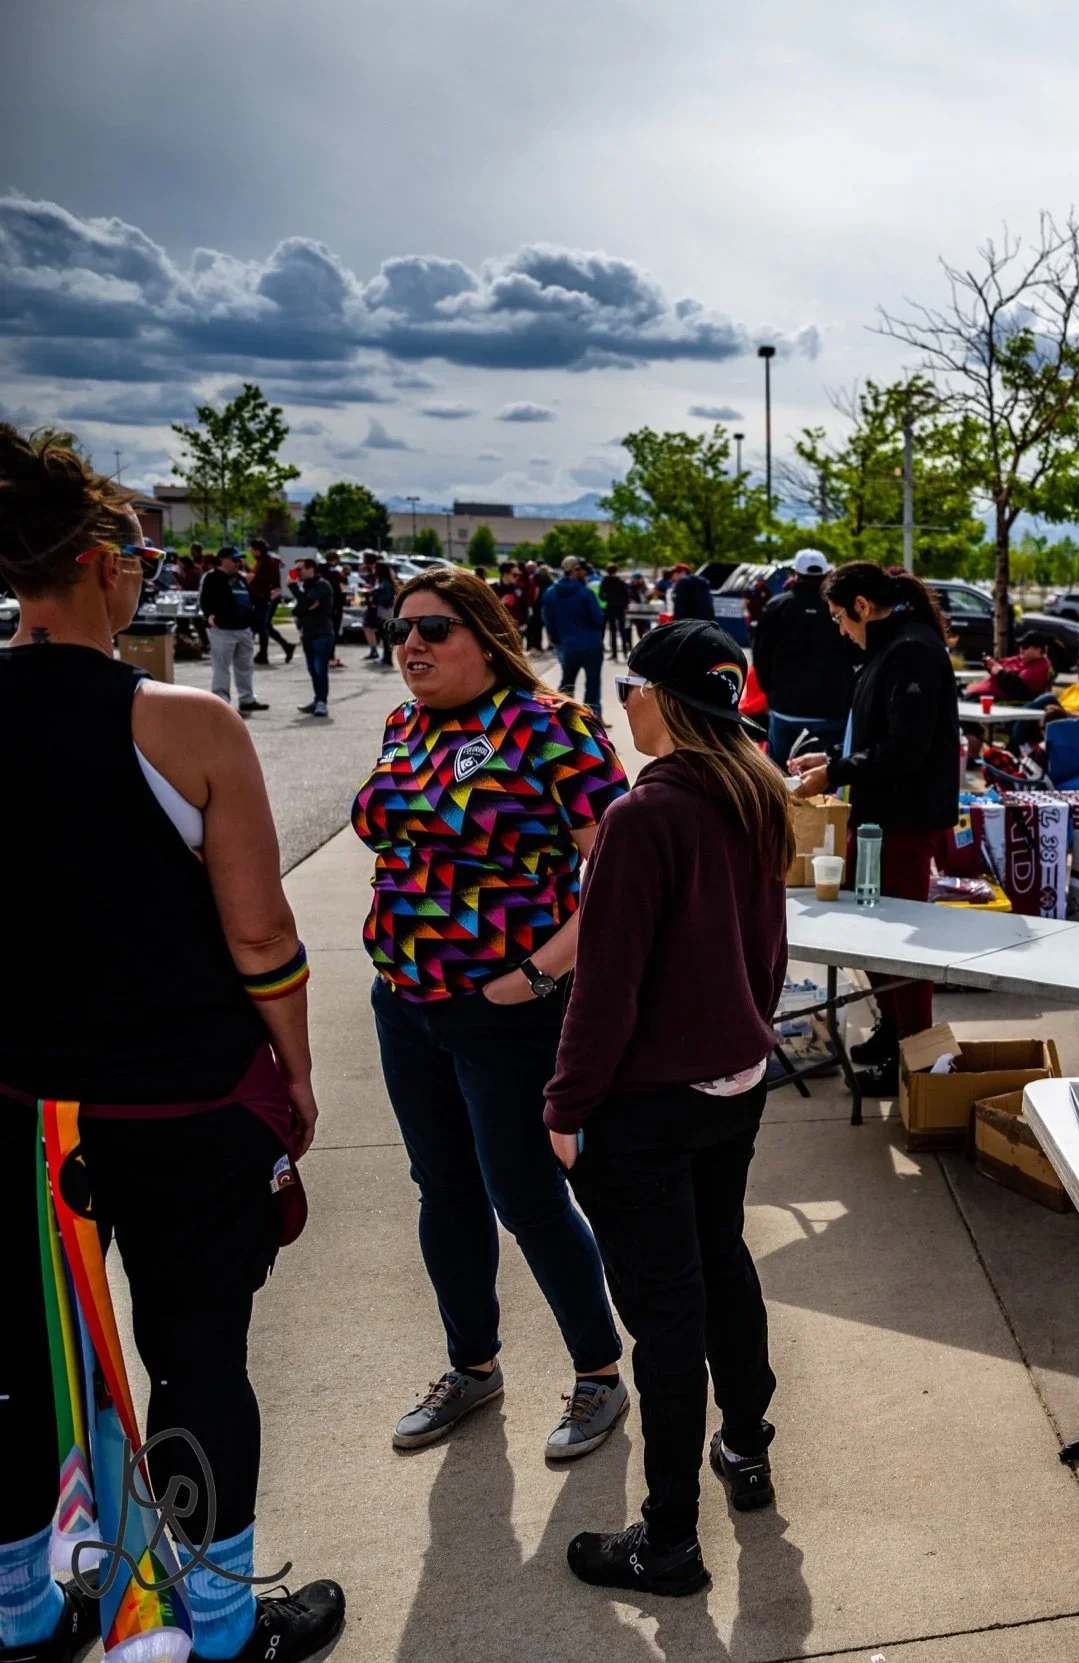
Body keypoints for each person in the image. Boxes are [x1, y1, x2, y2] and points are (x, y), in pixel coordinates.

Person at [0, 424, 347, 1661]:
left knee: (19, 1362)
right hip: (182, 1098)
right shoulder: (182, 723)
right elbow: (260, 931)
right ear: (100, 564)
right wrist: (297, 1066)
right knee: (197, 1358)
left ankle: (27, 1606)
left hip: (23, 1100)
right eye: (138, 550)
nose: (146, 568)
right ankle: (211, 1620)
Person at [355, 566, 630, 1461]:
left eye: (433, 628)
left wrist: (538, 977)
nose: (412, 646)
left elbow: (624, 876)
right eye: (400, 629)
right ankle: (471, 1366)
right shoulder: (404, 724)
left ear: (484, 632)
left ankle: (598, 1374)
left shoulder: (553, 726)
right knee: (444, 1189)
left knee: (527, 1194)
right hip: (405, 1003)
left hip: (505, 1012)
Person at [545, 619, 791, 1597]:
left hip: (651, 1102)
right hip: (734, 1083)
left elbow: (606, 987)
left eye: (631, 687)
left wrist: (564, 1104)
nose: (621, 704)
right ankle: (746, 1446)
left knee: (667, 1315)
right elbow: (767, 954)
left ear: (667, 701)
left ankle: (669, 1540)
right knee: (720, 1260)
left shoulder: (649, 814)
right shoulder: (753, 788)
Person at [789, 563, 958, 1094]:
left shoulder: (911, 650)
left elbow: (905, 749)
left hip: (905, 821)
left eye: (841, 616)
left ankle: (916, 1054)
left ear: (862, 606)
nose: (840, 629)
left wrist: (835, 771)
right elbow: (878, 734)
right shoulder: (889, 649)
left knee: (903, 945)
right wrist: (832, 758)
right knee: (876, 934)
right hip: (879, 817)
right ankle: (893, 1030)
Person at [749, 548, 860, 767]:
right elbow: (856, 652)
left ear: (795, 574)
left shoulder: (778, 606)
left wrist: (771, 693)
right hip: (831, 709)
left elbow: (760, 656)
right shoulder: (839, 608)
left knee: (777, 778)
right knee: (823, 784)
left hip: (785, 709)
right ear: (827, 574)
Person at [199, 545, 263, 711]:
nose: (238, 563)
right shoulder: (212, 577)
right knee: (221, 666)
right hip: (222, 630)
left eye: (239, 560)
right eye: (234, 560)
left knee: (245, 666)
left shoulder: (241, 579)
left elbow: (249, 600)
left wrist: (253, 623)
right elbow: (204, 599)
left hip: (243, 629)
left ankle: (247, 699)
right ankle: (221, 702)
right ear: (223, 560)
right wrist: (209, 615)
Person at [542, 556, 607, 717]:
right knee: (592, 684)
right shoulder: (585, 593)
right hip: (591, 644)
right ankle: (592, 718)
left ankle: (563, 717)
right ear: (576, 570)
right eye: (582, 570)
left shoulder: (550, 593)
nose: (585, 573)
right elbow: (598, 618)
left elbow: (548, 621)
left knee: (567, 684)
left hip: (568, 645)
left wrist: (558, 640)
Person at [288, 556, 339, 718]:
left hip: (322, 633)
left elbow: (306, 603)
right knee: (312, 670)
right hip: (308, 633)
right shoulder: (307, 586)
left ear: (311, 569)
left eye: (300, 569)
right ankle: (317, 700)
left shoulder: (321, 585)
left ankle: (322, 703)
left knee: (319, 669)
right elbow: (300, 608)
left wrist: (294, 588)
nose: (297, 573)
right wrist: (304, 606)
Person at [247, 540, 294, 666]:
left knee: (263, 626)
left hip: (267, 598)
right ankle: (283, 647)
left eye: (251, 549)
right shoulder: (262, 562)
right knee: (263, 626)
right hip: (261, 598)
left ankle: (265, 653)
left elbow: (265, 581)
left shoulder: (268, 563)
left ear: (257, 550)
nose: (250, 552)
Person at [363, 558, 398, 662]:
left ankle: (387, 658)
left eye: (375, 568)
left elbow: (385, 597)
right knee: (383, 634)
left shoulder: (385, 583)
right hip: (384, 610)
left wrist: (374, 593)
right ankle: (385, 657)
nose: (373, 570)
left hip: (385, 611)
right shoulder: (382, 581)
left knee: (385, 634)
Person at [600, 565, 633, 659]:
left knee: (612, 630)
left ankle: (614, 653)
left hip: (610, 607)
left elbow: (601, 595)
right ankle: (625, 651)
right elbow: (626, 595)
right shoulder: (620, 581)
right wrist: (624, 604)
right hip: (620, 608)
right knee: (622, 629)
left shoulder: (605, 581)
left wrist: (608, 599)